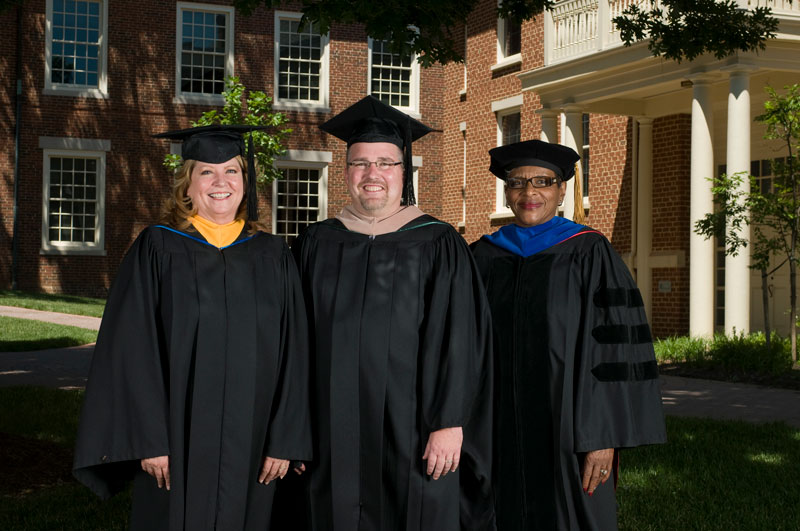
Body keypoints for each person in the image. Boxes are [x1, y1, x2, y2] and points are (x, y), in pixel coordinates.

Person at [72, 125, 312, 531]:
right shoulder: (158, 248)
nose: (221, 182)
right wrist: (148, 439)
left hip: (255, 443)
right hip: (175, 442)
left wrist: (286, 439)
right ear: (187, 184)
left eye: (232, 171)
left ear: (245, 182)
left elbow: (296, 352)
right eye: (206, 172)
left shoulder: (273, 255)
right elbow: (132, 349)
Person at [288, 96, 494, 531]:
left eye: (385, 163)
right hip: (331, 432)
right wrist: (295, 429)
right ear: (346, 172)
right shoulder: (316, 243)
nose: (372, 174)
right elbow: (292, 343)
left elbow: (461, 338)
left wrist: (449, 423)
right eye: (361, 163)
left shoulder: (438, 243)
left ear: (404, 172)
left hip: (415, 429)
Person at [470, 139, 667, 530]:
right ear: (507, 192)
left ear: (561, 191)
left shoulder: (589, 253)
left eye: (543, 182)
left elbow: (613, 355)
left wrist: (603, 437)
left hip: (570, 431)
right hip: (493, 430)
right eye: (517, 182)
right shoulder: (481, 257)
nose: (529, 192)